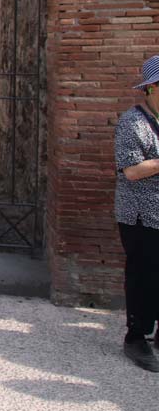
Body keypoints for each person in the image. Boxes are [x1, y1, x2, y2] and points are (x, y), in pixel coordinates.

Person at [115, 55, 159, 371]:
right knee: (144, 276)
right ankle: (136, 337)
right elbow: (131, 171)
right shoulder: (133, 122)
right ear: (152, 88)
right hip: (142, 215)